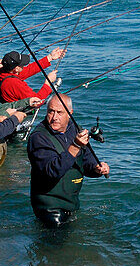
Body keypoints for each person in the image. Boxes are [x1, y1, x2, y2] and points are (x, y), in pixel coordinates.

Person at [27, 93, 109, 226]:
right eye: (50, 112)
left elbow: (86, 159)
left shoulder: (75, 129)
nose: (54, 117)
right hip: (49, 207)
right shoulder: (38, 137)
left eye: (59, 112)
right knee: (55, 245)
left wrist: (97, 168)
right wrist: (75, 146)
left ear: (70, 113)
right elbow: (51, 171)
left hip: (71, 204)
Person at [0, 48, 66, 103]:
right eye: (22, 64)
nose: (24, 66)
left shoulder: (3, 71)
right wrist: (48, 82)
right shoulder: (13, 83)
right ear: (16, 68)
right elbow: (37, 101)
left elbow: (29, 70)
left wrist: (50, 57)